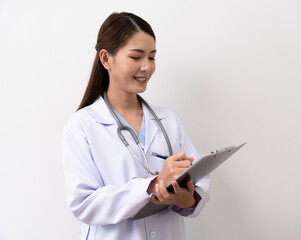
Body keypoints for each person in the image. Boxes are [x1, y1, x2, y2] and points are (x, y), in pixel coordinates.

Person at [62, 12, 210, 240]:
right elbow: (84, 204)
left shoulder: (168, 120)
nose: (146, 67)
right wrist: (152, 186)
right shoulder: (82, 125)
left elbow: (200, 186)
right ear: (105, 59)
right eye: (136, 57)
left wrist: (185, 199)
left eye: (151, 57)